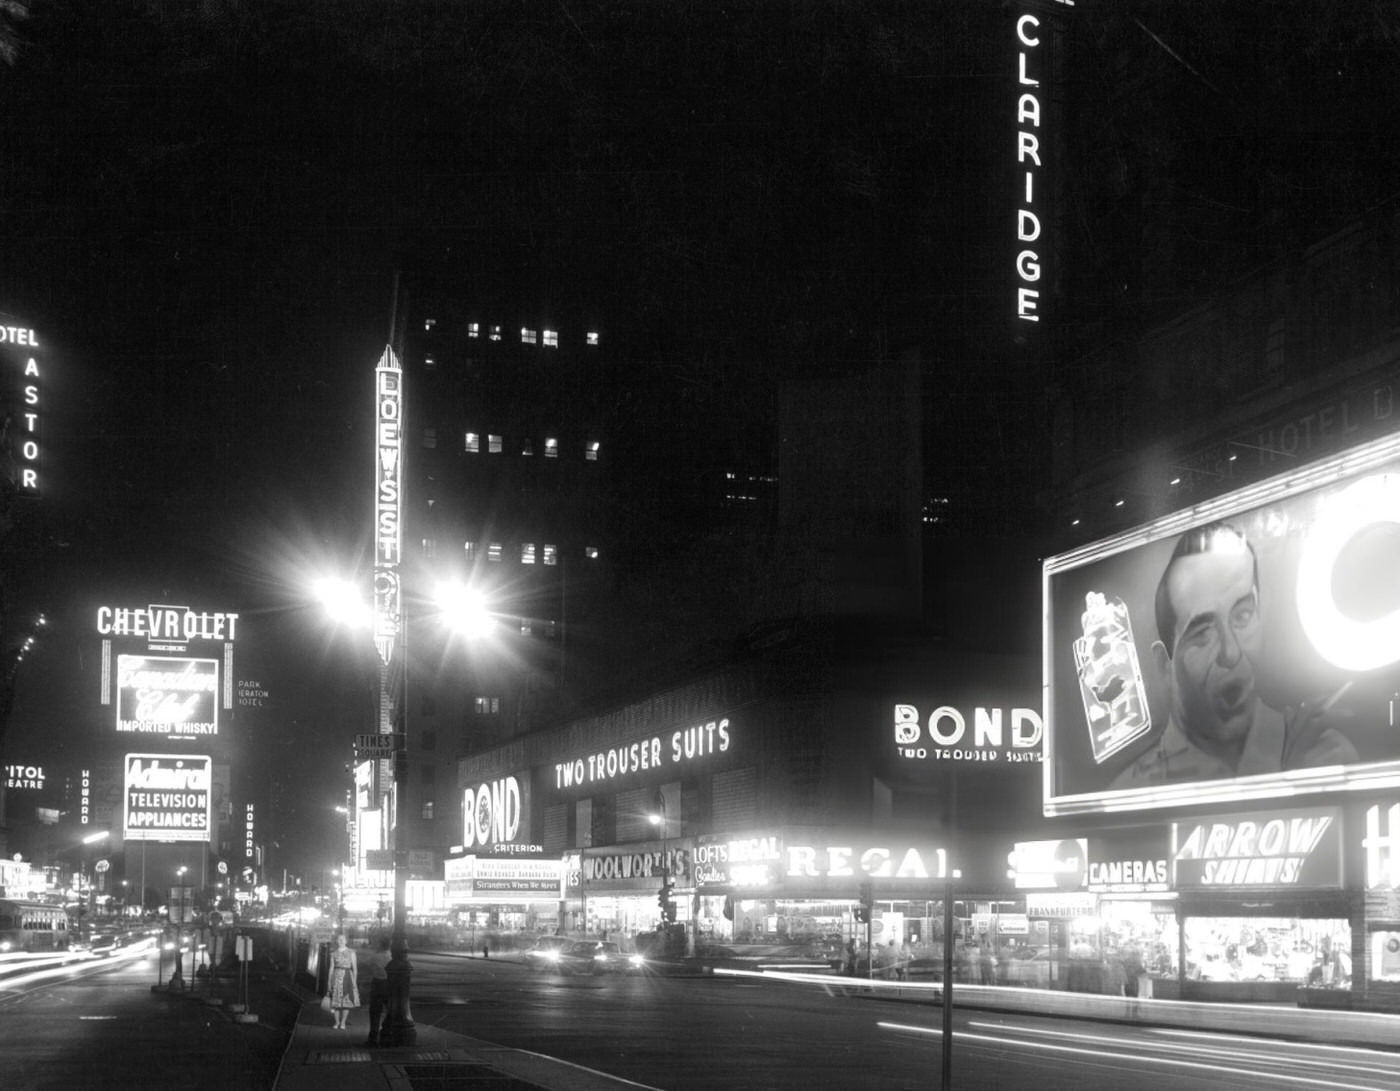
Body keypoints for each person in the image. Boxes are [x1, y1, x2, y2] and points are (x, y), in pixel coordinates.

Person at [1112, 522, 1357, 788]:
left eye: (1242, 616)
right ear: (1165, 667)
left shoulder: (1323, 753)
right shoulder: (1128, 793)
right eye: (1203, 632)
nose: (1231, 652)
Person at [326, 932, 360, 1030]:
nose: (341, 941)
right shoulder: (333, 953)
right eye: (339, 939)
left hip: (348, 977)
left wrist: (355, 982)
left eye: (343, 939)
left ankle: (343, 1022)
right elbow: (331, 968)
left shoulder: (351, 952)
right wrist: (329, 981)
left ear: (346, 941)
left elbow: (355, 968)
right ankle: (336, 1022)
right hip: (336, 978)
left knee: (346, 1002)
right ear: (336, 941)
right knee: (336, 1003)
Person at [362, 935, 391, 1046]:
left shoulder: (375, 957)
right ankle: (387, 1035)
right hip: (389, 985)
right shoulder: (392, 956)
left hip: (378, 984)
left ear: (380, 945)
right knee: (390, 1011)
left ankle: (373, 1038)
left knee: (375, 1012)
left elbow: (363, 965)